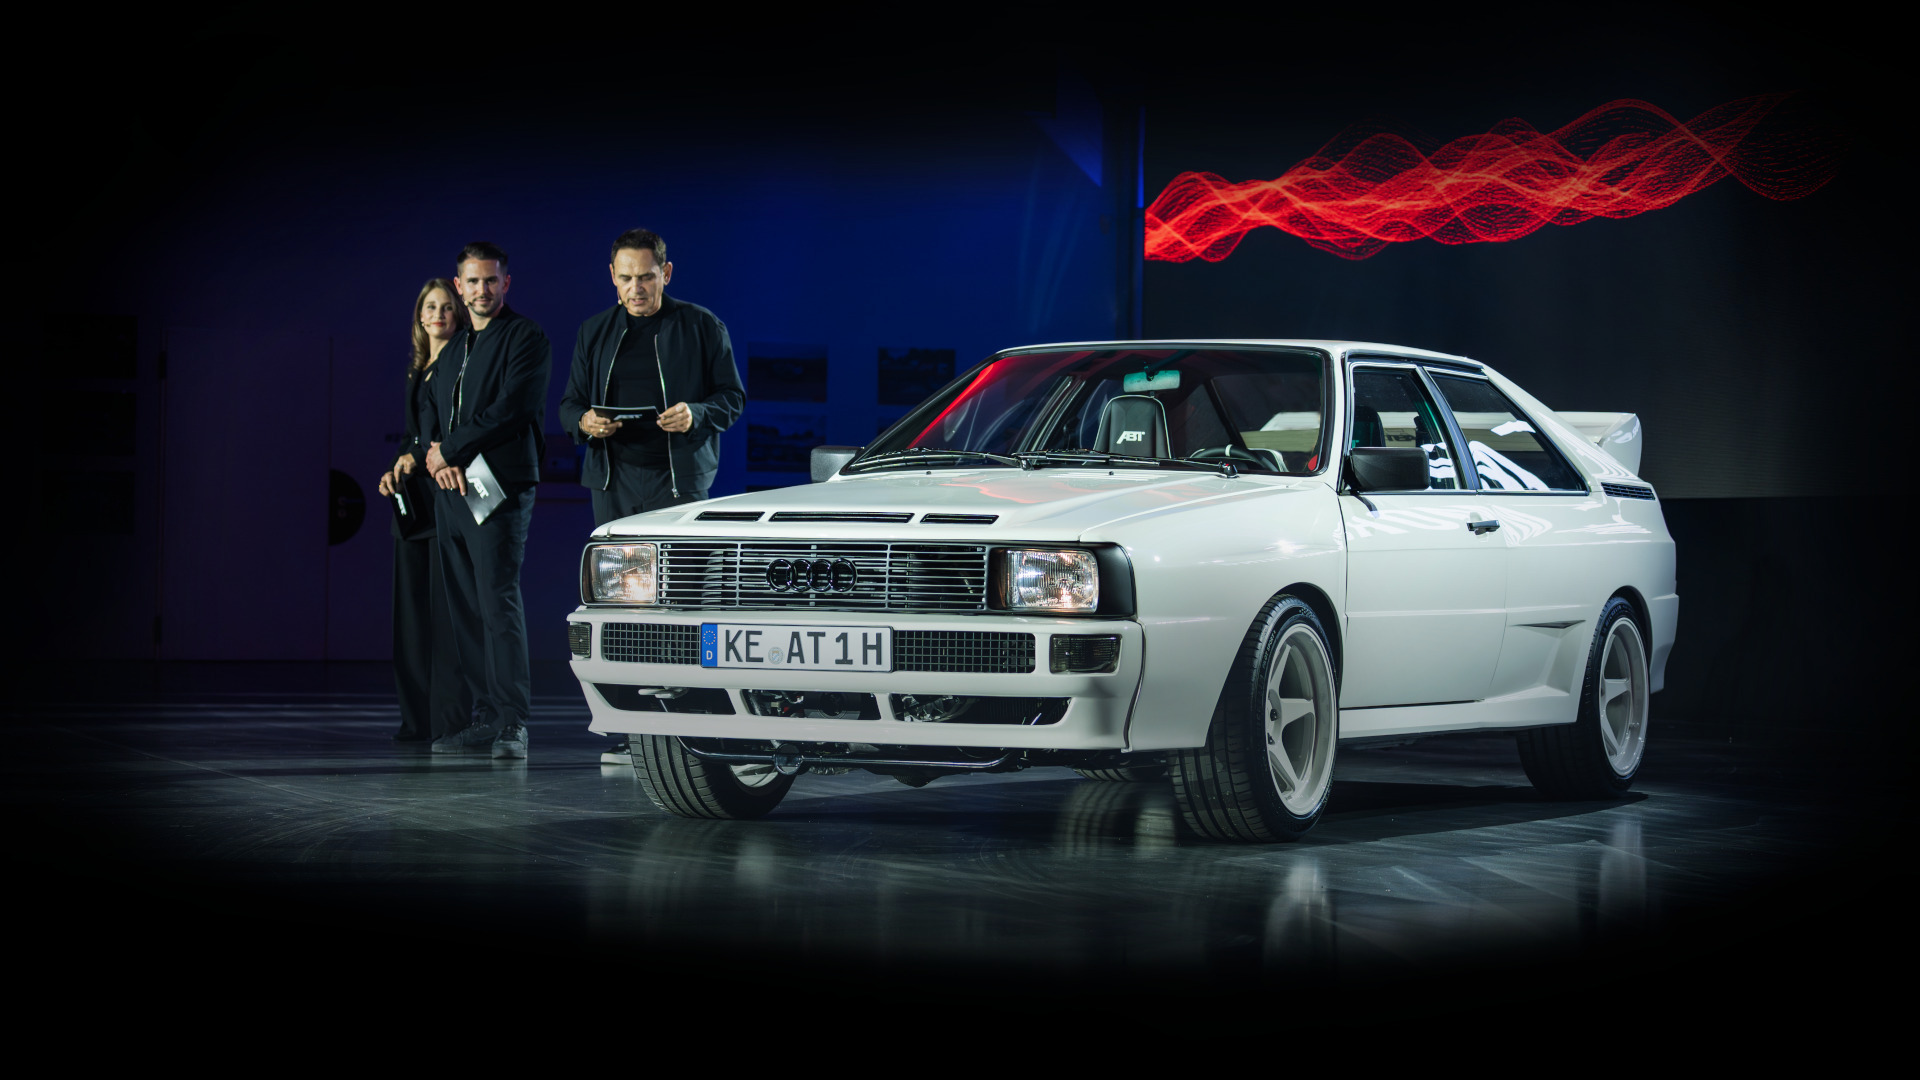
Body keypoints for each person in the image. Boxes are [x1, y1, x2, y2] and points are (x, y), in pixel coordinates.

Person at [560, 227, 744, 764]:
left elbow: (731, 398)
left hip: (679, 485)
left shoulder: (701, 325)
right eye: (625, 278)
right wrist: (586, 422)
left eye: (645, 277)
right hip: (614, 481)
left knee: (677, 603)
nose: (635, 288)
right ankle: (629, 726)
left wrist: (696, 414)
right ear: (611, 278)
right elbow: (569, 405)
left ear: (666, 273)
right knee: (620, 608)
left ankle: (685, 723)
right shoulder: (595, 331)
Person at [424, 241, 553, 758]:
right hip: (453, 488)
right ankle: (483, 717)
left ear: (506, 284)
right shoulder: (454, 347)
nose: (481, 290)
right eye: (472, 282)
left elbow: (513, 408)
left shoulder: (525, 336)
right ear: (458, 287)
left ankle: (512, 722)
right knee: (466, 608)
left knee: (497, 600)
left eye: (491, 281)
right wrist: (440, 456)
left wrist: (450, 449)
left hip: (497, 486)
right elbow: (435, 408)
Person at [377, 278, 472, 742]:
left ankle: (449, 721)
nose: (438, 314)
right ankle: (415, 721)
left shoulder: (459, 366)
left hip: (445, 502)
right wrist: (396, 464)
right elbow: (414, 434)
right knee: (411, 619)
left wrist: (418, 452)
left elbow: (444, 436)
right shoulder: (420, 368)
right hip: (413, 504)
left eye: (447, 308)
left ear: (458, 316)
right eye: (430, 307)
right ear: (419, 315)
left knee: (444, 618)